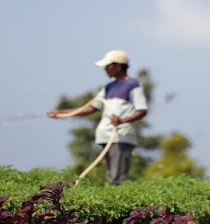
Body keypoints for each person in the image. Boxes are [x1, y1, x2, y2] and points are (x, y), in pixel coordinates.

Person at [47, 50, 148, 185]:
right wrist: (62, 113)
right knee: (110, 174)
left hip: (120, 135)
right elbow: (90, 107)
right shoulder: (108, 87)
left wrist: (122, 121)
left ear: (118, 66)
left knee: (116, 177)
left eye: (108, 66)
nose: (105, 69)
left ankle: (115, 200)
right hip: (105, 135)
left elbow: (142, 110)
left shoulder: (132, 85)